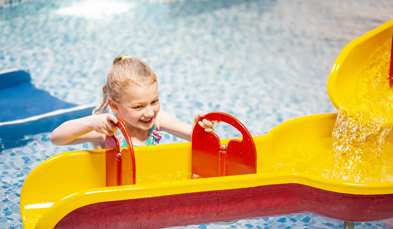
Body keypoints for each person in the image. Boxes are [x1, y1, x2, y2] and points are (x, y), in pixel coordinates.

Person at [50, 54, 214, 149]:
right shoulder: (108, 129)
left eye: (154, 101)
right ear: (114, 106)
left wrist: (199, 129)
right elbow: (57, 138)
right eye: (138, 107)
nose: (149, 112)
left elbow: (195, 138)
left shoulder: (158, 120)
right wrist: (92, 122)